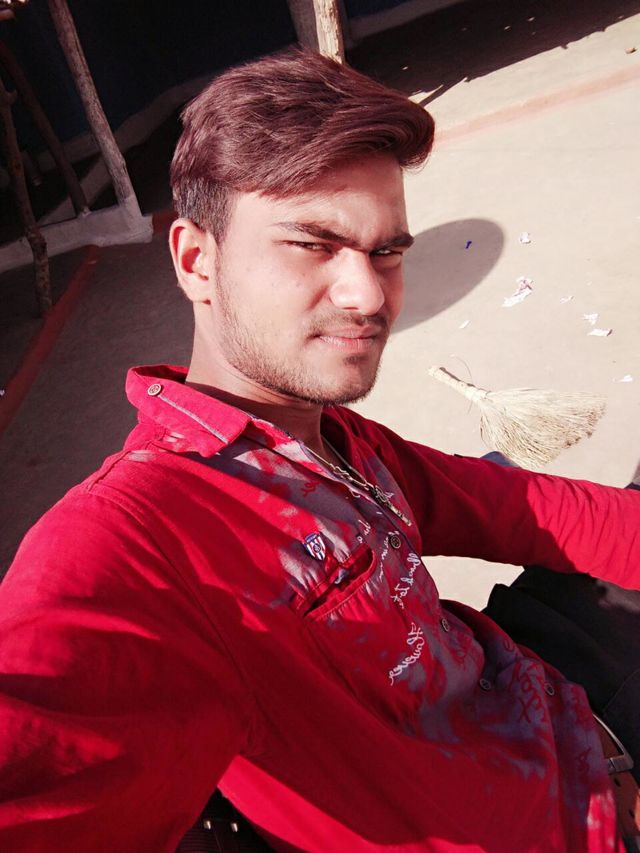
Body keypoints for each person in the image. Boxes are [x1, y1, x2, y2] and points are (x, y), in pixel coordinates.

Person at [0, 47, 638, 853]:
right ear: (197, 261)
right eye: (313, 244)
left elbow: (519, 507)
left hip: (537, 700)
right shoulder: (144, 540)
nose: (369, 294)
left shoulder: (327, 434)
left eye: (386, 250)